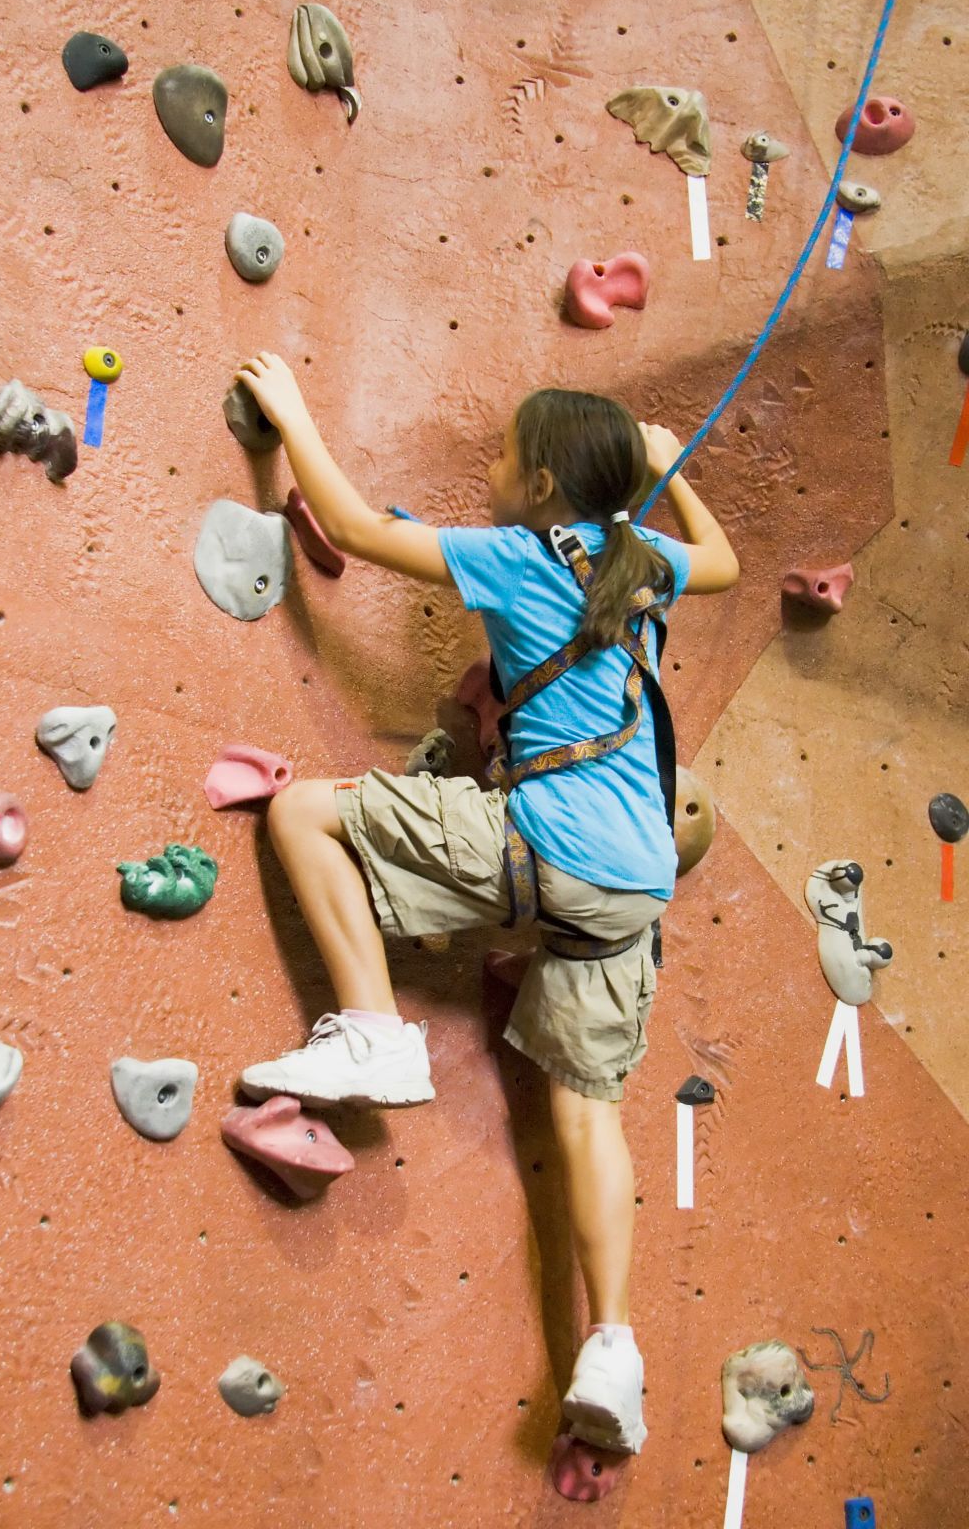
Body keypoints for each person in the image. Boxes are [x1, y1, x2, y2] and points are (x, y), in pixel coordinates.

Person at [233, 351, 739, 1455]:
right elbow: (728, 563)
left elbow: (359, 531)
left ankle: (372, 1035)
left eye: (505, 456)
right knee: (585, 1109)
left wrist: (291, 414)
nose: (493, 468)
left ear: (546, 487)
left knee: (305, 815)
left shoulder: (515, 557)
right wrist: (667, 468)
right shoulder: (639, 560)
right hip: (634, 886)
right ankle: (612, 1347)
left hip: (547, 849)